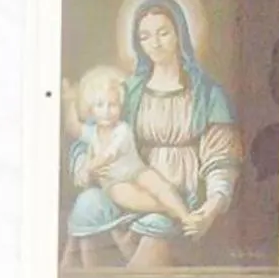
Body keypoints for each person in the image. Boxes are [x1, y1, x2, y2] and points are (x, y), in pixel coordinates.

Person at [64, 0, 245, 272]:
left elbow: (222, 156)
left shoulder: (207, 93)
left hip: (186, 195)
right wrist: (87, 166)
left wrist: (211, 207)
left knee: (154, 238)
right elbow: (90, 133)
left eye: (163, 33)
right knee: (88, 204)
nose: (155, 44)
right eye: (145, 36)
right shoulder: (128, 91)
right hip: (131, 189)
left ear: (180, 34)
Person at [66, 63, 193, 242]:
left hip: (137, 171)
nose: (107, 111)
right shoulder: (92, 132)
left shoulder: (123, 130)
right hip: (115, 182)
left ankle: (186, 216)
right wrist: (70, 100)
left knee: (159, 185)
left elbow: (110, 155)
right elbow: (73, 127)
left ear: (121, 105)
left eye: (112, 105)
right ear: (91, 110)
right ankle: (167, 209)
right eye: (100, 105)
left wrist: (89, 167)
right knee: (126, 197)